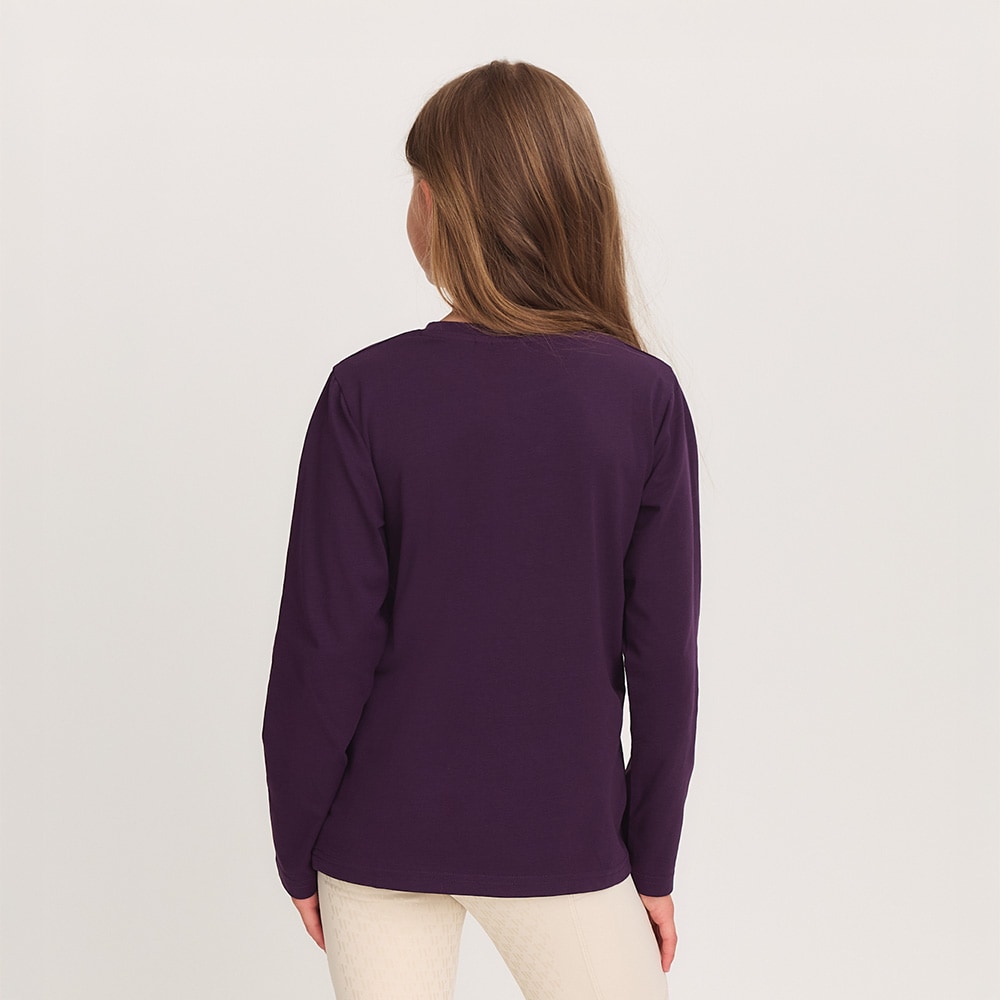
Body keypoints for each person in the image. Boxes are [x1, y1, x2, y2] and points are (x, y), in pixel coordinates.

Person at [261, 59, 701, 1000]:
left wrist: (297, 842)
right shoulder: (641, 398)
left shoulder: (367, 393)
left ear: (439, 204)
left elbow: (321, 649)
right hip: (567, 840)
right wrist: (653, 859)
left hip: (378, 839)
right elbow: (663, 658)